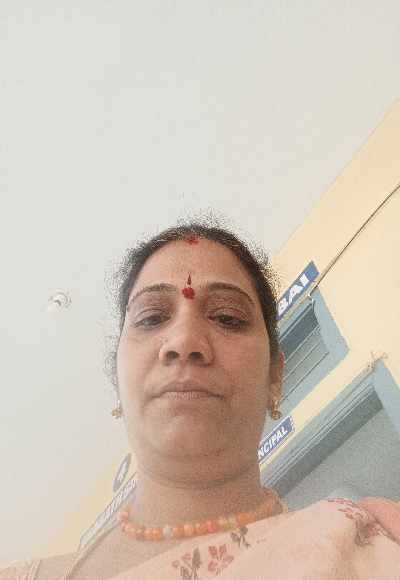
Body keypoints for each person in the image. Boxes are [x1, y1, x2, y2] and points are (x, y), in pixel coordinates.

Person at [2, 222, 400, 579]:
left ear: (275, 377)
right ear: (116, 382)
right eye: (152, 317)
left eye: (227, 317)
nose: (184, 341)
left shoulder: (366, 546)